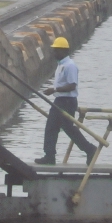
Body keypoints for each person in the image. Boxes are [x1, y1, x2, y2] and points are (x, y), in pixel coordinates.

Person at [34, 36, 98, 165]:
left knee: (67, 128)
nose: (54, 53)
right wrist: (55, 91)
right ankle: (50, 155)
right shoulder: (60, 65)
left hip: (67, 102)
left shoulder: (70, 66)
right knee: (52, 127)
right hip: (60, 101)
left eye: (56, 50)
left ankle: (89, 149)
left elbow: (72, 85)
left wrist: (54, 89)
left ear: (63, 51)